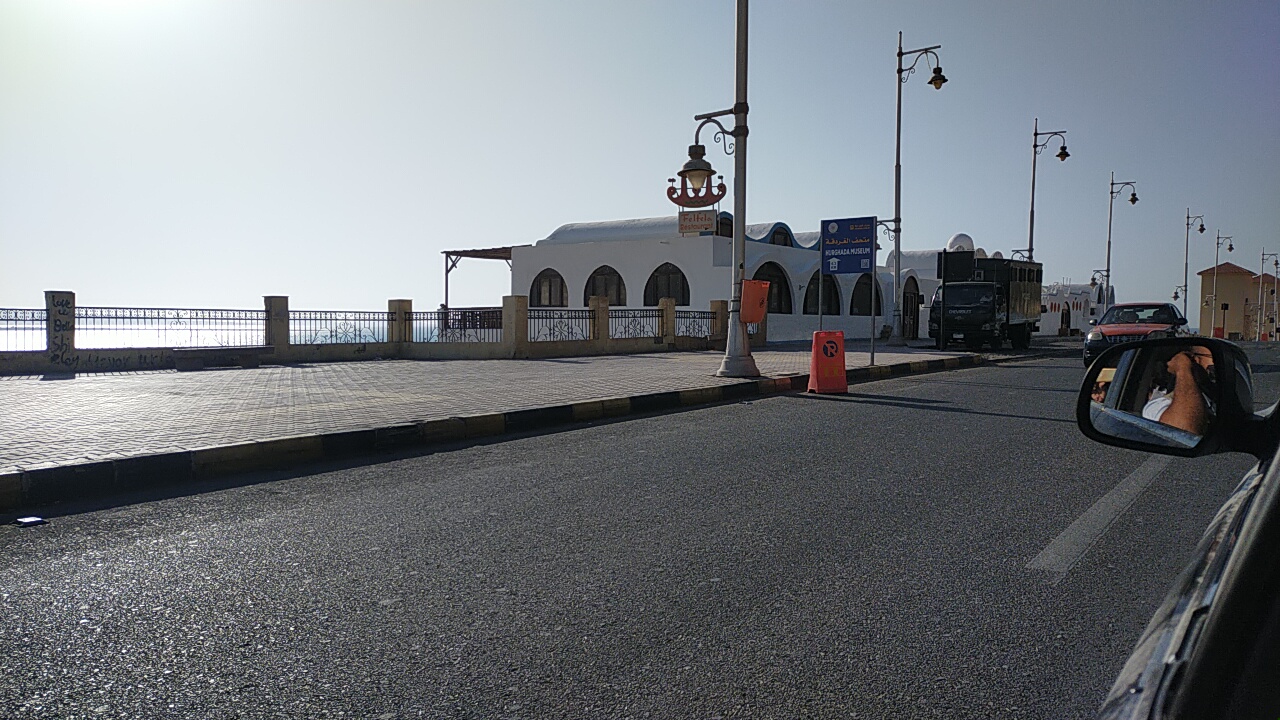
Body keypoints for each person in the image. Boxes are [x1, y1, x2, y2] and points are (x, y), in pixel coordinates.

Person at [1143, 346, 1215, 435]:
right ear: (1194, 360)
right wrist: (1182, 368)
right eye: (1213, 356)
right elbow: (1184, 433)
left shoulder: (1214, 392)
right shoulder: (1160, 405)